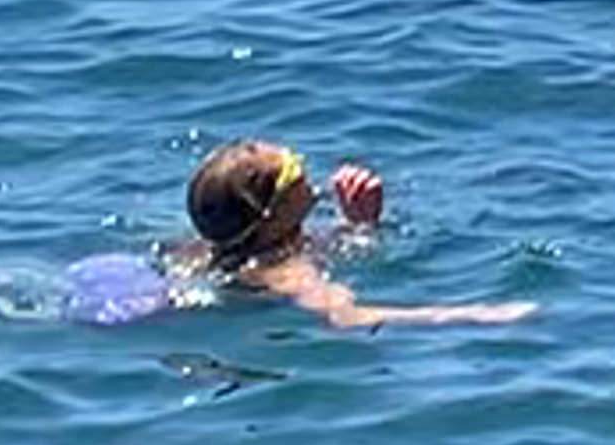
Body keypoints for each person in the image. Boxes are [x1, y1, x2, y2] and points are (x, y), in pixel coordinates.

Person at [183, 139, 527, 329]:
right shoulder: (288, 273)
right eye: (293, 168)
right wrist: (477, 314)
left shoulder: (210, 249)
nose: (303, 166)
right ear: (273, 213)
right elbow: (348, 317)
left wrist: (361, 226)